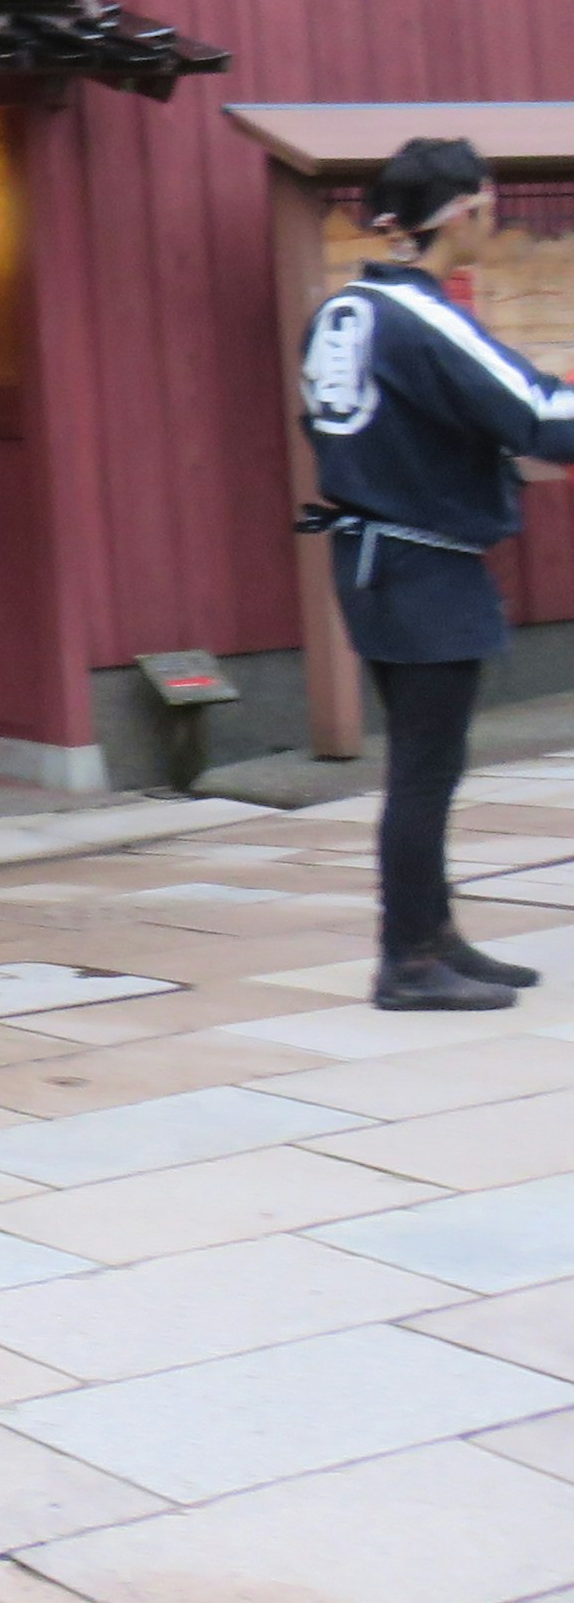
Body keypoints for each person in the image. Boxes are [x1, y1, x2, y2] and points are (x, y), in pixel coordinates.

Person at [300, 136, 569, 1011]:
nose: (496, 219)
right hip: (423, 561)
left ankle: (432, 934)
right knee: (425, 767)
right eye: (489, 205)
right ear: (465, 212)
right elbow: (537, 416)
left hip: (372, 553)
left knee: (425, 763)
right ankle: (408, 959)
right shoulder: (422, 314)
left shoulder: (344, 310)